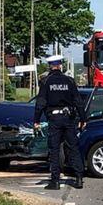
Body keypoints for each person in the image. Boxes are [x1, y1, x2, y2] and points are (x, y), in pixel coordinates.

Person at [35, 55, 86, 190]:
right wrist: (83, 119)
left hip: (54, 119)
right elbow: (78, 101)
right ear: (61, 65)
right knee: (73, 147)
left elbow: (41, 102)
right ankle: (79, 177)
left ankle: (55, 181)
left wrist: (36, 120)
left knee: (54, 149)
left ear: (50, 66)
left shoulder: (46, 81)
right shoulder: (69, 81)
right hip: (69, 118)